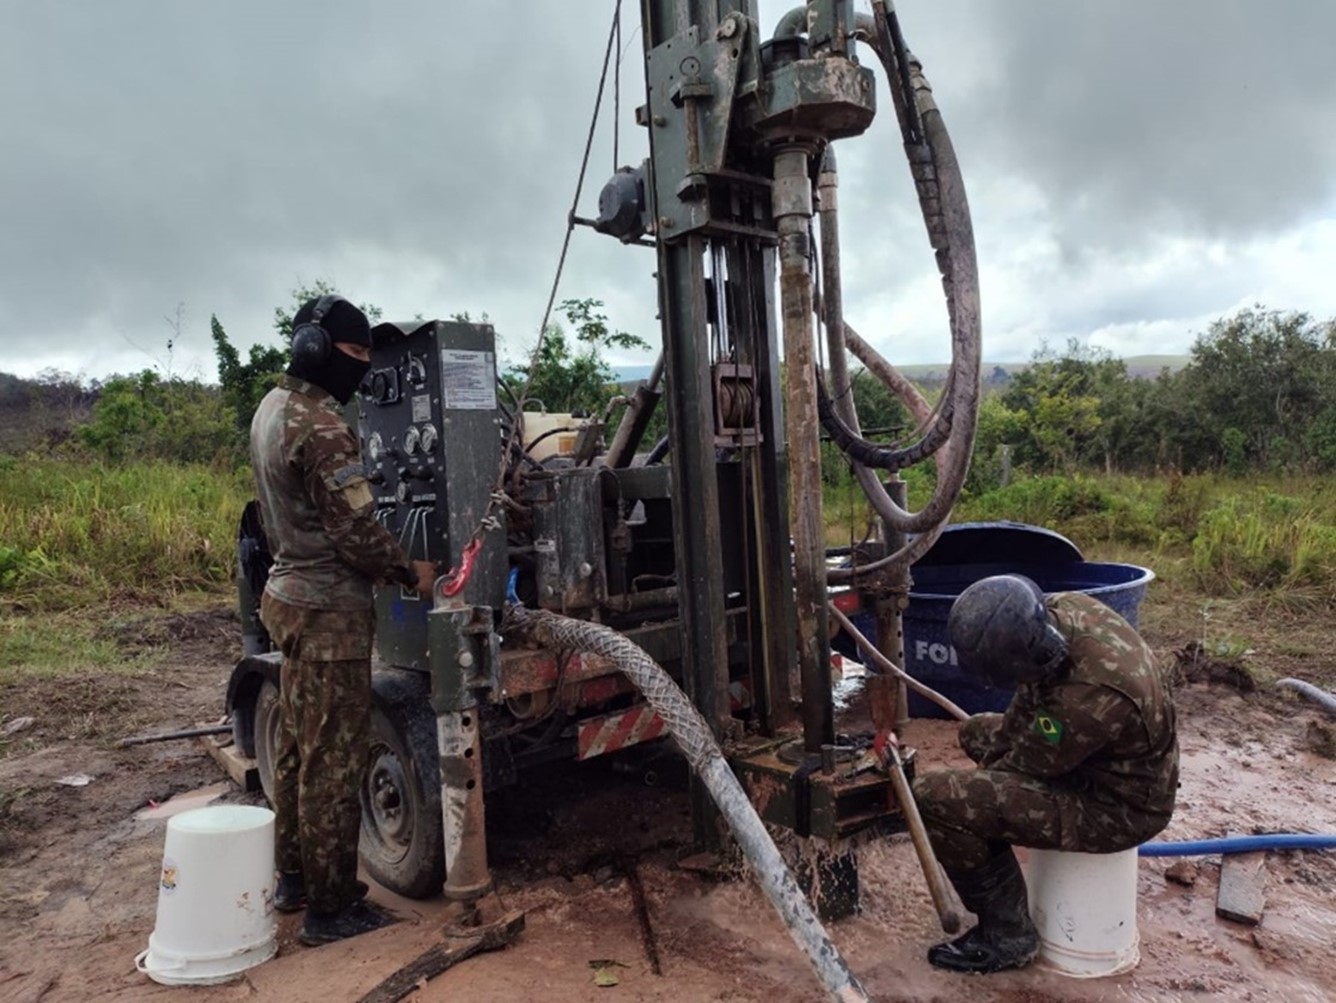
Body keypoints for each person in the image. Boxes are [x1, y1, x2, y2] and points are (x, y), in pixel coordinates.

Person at [250, 294, 436, 946]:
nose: (362, 371)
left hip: (289, 600)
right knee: (335, 759)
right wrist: (408, 569)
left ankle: (296, 878)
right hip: (330, 614)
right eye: (357, 357)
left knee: (301, 750)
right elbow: (358, 531)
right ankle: (331, 910)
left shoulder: (272, 408)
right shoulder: (323, 427)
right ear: (321, 353)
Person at [910, 574, 1178, 974]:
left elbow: (1026, 766)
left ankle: (1007, 935)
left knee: (934, 798)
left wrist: (971, 809)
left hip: (1117, 808)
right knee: (976, 731)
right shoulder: (1059, 611)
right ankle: (991, 852)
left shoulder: (1087, 698)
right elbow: (1029, 699)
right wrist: (989, 788)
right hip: (1098, 763)